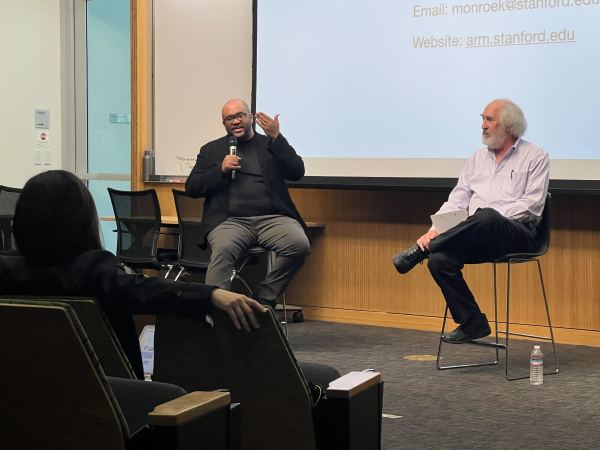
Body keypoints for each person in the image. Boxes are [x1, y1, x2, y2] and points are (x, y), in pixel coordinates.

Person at [0, 170, 266, 379]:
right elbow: (146, 290)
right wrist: (212, 293)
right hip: (111, 402)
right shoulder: (92, 272)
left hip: (25, 396)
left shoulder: (7, 271)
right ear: (82, 221)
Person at [392, 99, 549, 343]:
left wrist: (490, 218)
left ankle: (422, 251)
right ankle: (473, 322)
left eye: (489, 119)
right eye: (482, 119)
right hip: (477, 234)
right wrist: (434, 230)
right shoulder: (476, 159)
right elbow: (457, 201)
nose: (483, 126)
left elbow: (532, 206)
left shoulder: (535, 156)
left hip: (518, 233)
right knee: (439, 260)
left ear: (509, 126)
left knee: (487, 216)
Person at [185, 99, 310, 308]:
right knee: (222, 251)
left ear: (250, 117)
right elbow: (192, 188)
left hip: (272, 218)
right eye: (229, 118)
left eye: (240, 116)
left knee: (299, 244)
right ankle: (218, 313)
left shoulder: (269, 145)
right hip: (230, 221)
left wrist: (277, 138)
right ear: (224, 124)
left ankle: (264, 297)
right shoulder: (212, 150)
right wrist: (220, 170)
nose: (235, 121)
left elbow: (297, 172)